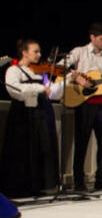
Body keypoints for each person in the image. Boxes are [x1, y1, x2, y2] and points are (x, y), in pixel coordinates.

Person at [1, 39, 66, 197]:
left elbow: (51, 92)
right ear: (24, 52)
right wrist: (39, 88)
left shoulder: (39, 72)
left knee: (43, 148)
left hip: (41, 112)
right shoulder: (14, 70)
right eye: (35, 51)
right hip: (23, 113)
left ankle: (42, 185)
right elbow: (14, 90)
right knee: (22, 148)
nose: (39, 54)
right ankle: (22, 187)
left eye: (39, 51)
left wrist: (67, 81)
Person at [63, 22, 102, 192]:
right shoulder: (79, 52)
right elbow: (60, 67)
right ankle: (79, 180)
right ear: (92, 38)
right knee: (82, 141)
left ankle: (100, 179)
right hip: (83, 102)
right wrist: (75, 78)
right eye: (101, 39)